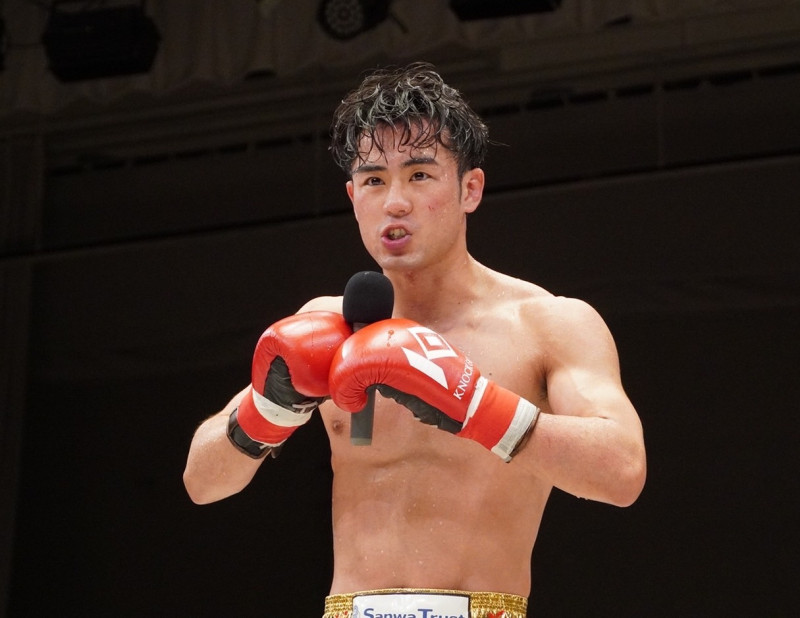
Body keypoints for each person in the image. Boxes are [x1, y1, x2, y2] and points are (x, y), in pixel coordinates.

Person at [183, 62, 646, 618]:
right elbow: (202, 482)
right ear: (353, 196)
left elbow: (622, 471)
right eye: (374, 180)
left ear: (470, 188)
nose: (395, 202)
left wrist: (476, 405)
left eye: (420, 174)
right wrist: (266, 411)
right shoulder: (325, 325)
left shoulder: (546, 324)